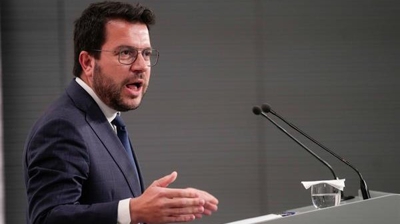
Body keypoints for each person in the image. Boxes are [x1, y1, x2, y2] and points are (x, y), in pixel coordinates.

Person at [23, 1, 218, 224]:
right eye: (126, 53)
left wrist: (151, 211)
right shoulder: (63, 127)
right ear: (88, 62)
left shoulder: (108, 119)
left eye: (146, 54)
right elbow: (47, 218)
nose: (141, 66)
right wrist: (133, 210)